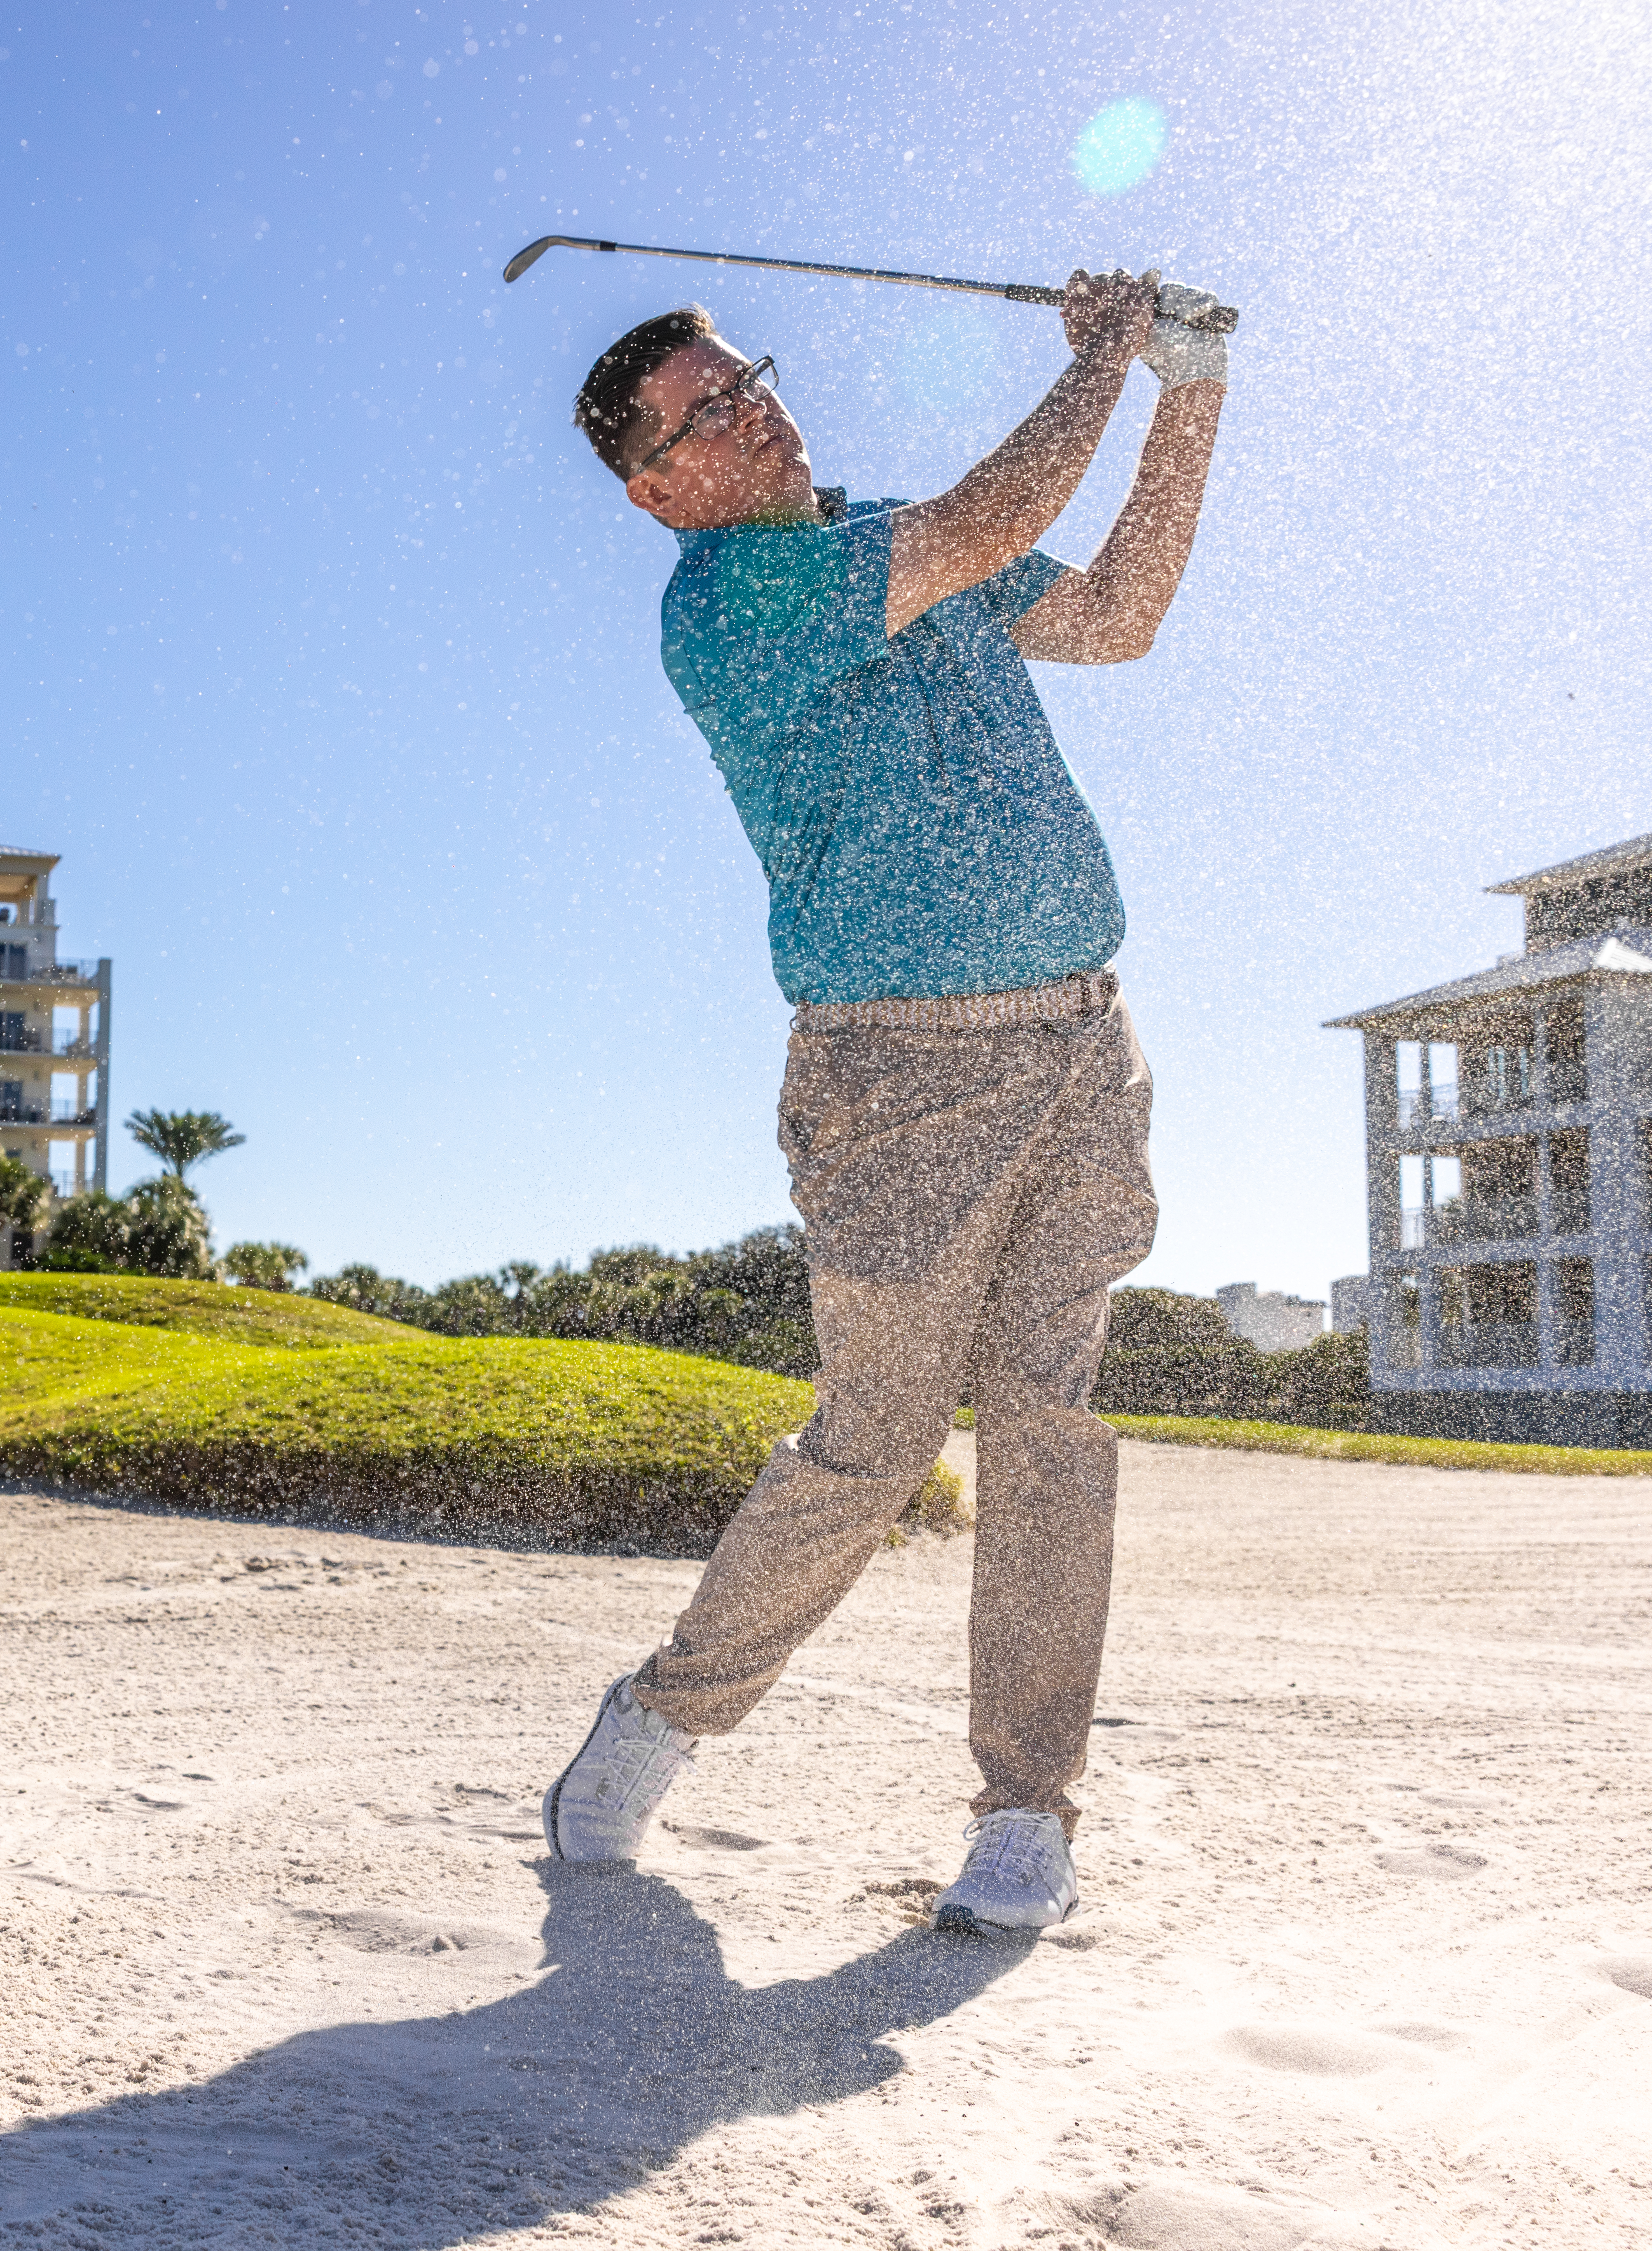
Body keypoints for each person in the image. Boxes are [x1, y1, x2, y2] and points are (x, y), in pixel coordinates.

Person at [540, 270, 1227, 1934]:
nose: (751, 408)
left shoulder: (909, 538)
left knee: (1051, 1435)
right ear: (654, 489)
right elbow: (999, 510)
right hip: (894, 1074)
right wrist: (1108, 359)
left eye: (744, 379)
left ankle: (1023, 1812)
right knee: (874, 1441)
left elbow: (1122, 610)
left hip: (1083, 1041)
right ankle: (665, 1711)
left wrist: (1191, 395)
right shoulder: (725, 605)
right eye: (703, 412)